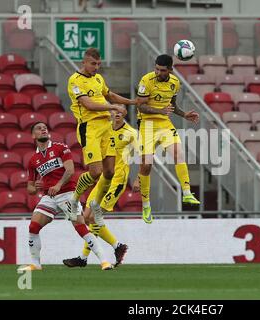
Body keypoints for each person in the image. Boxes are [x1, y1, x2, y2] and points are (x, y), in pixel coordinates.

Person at [18, 122, 114, 271]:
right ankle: (36, 264)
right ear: (33, 136)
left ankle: (104, 261)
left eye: (45, 127)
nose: (43, 129)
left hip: (68, 193)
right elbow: (29, 188)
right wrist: (34, 188)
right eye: (39, 128)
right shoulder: (33, 160)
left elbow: (70, 170)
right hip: (49, 197)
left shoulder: (60, 148)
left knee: (81, 228)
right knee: (33, 227)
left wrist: (58, 185)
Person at [67, 47, 136, 227]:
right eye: (93, 63)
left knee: (110, 172)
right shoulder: (75, 80)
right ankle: (74, 200)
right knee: (95, 172)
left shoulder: (98, 79)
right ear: (84, 62)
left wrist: (131, 102)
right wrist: (112, 107)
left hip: (106, 127)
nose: (96, 67)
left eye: (98, 64)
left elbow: (109, 94)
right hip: (89, 128)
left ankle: (96, 205)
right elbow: (88, 104)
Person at [63, 107, 139, 268]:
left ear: (125, 114)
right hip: (103, 180)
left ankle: (84, 257)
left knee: (92, 217)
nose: (117, 113)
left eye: (121, 111)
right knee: (86, 216)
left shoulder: (131, 133)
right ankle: (117, 246)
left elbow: (145, 156)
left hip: (117, 180)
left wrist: (139, 178)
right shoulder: (105, 130)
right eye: (115, 111)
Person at [135, 54, 200, 224]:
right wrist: (160, 111)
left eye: (162, 70)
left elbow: (172, 106)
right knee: (147, 165)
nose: (157, 72)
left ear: (170, 70)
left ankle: (186, 193)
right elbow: (140, 105)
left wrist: (184, 114)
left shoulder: (174, 83)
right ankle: (146, 205)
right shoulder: (146, 81)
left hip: (164, 123)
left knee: (179, 153)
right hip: (147, 124)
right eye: (156, 68)